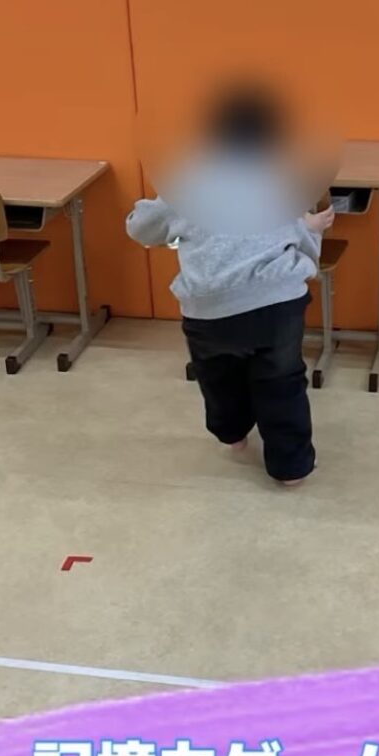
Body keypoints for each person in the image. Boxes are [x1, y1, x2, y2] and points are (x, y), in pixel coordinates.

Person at [126, 84, 335, 485]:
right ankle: (291, 467)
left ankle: (233, 433)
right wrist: (309, 227)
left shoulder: (186, 181)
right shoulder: (284, 177)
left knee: (218, 376)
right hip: (277, 301)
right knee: (282, 381)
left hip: (210, 307)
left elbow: (141, 228)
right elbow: (291, 234)